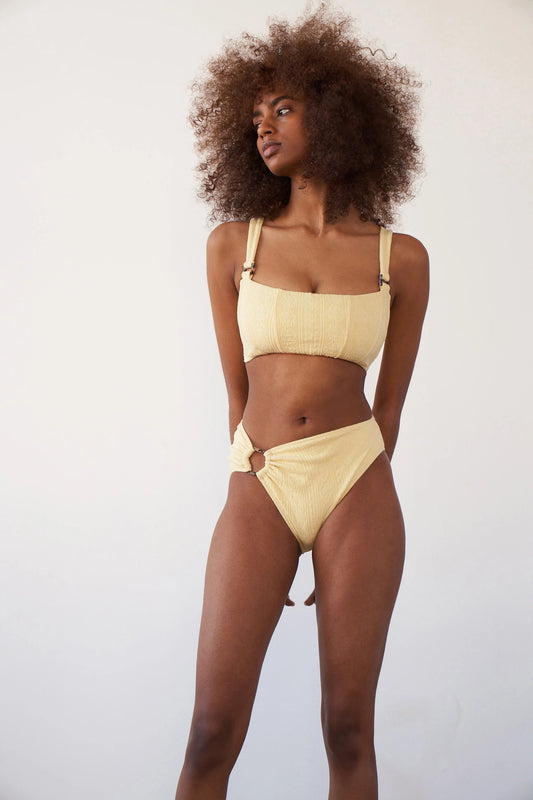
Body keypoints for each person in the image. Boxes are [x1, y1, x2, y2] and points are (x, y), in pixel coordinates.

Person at [176, 5, 429, 798]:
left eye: (282, 109)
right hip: (261, 475)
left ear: (339, 116)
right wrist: (254, 496)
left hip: (356, 480)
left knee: (348, 727)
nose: (263, 127)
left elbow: (389, 411)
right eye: (255, 115)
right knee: (210, 730)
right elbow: (236, 392)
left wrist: (354, 505)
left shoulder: (400, 258)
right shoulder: (233, 245)